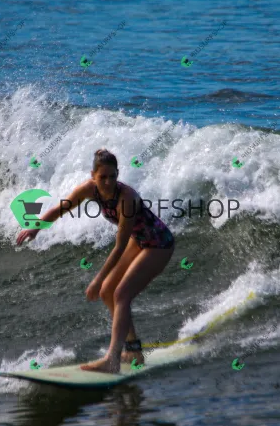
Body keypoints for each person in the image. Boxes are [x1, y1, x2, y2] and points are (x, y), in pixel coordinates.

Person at [16, 149, 175, 374]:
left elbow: (120, 246)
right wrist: (36, 228)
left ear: (118, 174)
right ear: (93, 176)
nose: (108, 182)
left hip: (158, 243)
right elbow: (60, 209)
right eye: (103, 177)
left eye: (112, 176)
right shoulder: (88, 189)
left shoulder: (127, 198)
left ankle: (112, 359)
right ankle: (134, 351)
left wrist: (97, 278)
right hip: (139, 240)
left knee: (121, 294)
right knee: (107, 292)